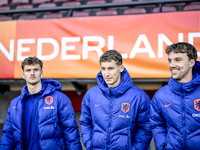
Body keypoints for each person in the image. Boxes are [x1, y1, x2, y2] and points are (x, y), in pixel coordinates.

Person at [0, 56, 82, 150]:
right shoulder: (15, 104)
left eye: (36, 70)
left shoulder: (59, 98)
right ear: (23, 75)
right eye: (28, 70)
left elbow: (71, 132)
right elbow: (7, 135)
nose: (32, 73)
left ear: (41, 73)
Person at [79, 50, 152, 150]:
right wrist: (89, 145)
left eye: (111, 68)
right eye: (103, 69)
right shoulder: (91, 95)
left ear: (121, 68)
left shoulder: (139, 96)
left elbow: (145, 127)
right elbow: (85, 122)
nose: (106, 74)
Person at [150, 42, 200, 150]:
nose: (172, 65)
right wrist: (163, 146)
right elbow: (156, 124)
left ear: (191, 62)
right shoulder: (160, 95)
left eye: (178, 60)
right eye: (170, 60)